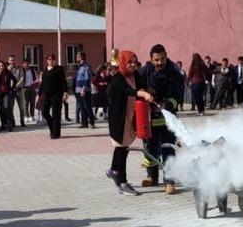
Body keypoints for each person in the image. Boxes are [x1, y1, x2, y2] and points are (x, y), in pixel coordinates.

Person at [105, 49, 154, 195]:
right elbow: (128, 91)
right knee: (122, 148)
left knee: (121, 148)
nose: (133, 65)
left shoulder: (135, 75)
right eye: (129, 62)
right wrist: (143, 93)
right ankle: (123, 183)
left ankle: (113, 171)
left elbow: (140, 86)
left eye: (134, 62)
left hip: (130, 116)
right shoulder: (117, 78)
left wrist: (147, 90)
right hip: (119, 119)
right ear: (122, 63)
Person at [139, 44, 184, 195]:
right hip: (149, 117)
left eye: (162, 59)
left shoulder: (175, 73)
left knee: (167, 148)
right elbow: (135, 84)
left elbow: (178, 96)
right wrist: (144, 92)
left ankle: (170, 181)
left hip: (167, 118)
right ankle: (152, 176)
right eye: (156, 60)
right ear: (151, 59)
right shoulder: (145, 71)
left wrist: (166, 104)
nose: (159, 63)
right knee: (149, 147)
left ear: (166, 56)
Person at [39, 53, 67, 139]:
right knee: (44, 112)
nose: (49, 61)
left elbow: (63, 82)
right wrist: (39, 94)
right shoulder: (45, 70)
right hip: (46, 94)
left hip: (56, 94)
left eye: (51, 59)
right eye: (48, 59)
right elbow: (42, 84)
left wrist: (65, 92)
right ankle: (52, 127)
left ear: (55, 60)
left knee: (56, 114)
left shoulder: (59, 69)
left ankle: (56, 133)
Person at [0, 61, 17, 132]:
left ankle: (9, 124)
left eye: (2, 66)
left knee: (6, 108)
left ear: (4, 66)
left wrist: (11, 89)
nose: (1, 67)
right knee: (1, 110)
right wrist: (0, 74)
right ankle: (3, 125)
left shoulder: (8, 73)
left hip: (6, 93)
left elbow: (15, 80)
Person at [74, 52, 95, 129]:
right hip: (78, 90)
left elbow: (87, 79)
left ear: (81, 57)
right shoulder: (80, 67)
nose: (76, 58)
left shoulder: (86, 67)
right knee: (82, 107)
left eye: (77, 57)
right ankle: (84, 123)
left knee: (87, 107)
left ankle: (92, 122)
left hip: (84, 90)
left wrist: (84, 89)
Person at [8, 55, 27, 127]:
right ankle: (13, 123)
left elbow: (22, 78)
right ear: (9, 61)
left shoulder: (19, 69)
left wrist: (16, 86)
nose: (12, 61)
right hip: (11, 91)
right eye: (11, 60)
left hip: (19, 90)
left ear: (15, 61)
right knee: (11, 107)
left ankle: (22, 122)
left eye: (13, 60)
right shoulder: (7, 70)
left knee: (21, 108)